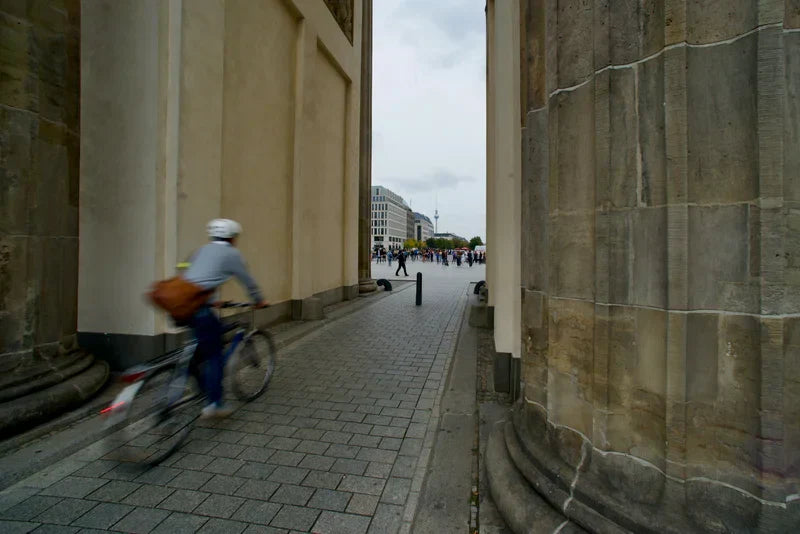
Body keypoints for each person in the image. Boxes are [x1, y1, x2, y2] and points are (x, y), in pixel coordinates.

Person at [183, 219, 268, 418]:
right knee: (215, 356)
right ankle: (214, 404)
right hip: (201, 310)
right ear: (232, 237)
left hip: (185, 307)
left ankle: (200, 385)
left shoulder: (201, 251)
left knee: (198, 350)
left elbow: (193, 278)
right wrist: (259, 300)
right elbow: (247, 280)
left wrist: (212, 300)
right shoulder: (231, 254)